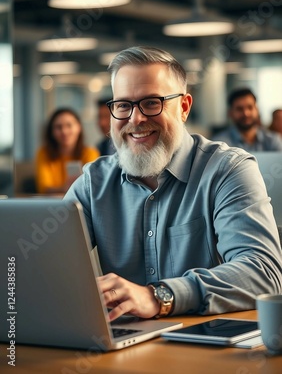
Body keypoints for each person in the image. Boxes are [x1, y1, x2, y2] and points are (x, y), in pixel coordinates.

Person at [65, 47, 282, 322]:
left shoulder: (228, 170)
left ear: (183, 107)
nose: (135, 119)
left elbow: (262, 272)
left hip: (207, 350)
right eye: (123, 105)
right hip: (121, 349)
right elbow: (47, 262)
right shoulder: (93, 183)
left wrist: (159, 296)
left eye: (152, 102)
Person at [35, 107, 100, 194]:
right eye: (58, 127)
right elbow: (43, 188)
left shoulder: (90, 153)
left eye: (69, 125)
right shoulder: (44, 153)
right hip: (52, 203)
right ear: (52, 131)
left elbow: (92, 186)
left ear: (79, 127)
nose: (64, 131)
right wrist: (64, 188)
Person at [211, 88, 282, 151]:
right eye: (239, 109)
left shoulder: (273, 140)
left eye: (250, 107)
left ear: (257, 110)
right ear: (230, 113)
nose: (246, 113)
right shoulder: (220, 144)